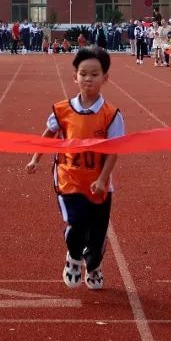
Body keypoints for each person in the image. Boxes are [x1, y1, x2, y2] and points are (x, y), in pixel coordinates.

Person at [25, 47, 124, 291]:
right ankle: (73, 258)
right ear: (75, 77)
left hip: (98, 183)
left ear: (105, 78)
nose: (88, 79)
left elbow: (114, 151)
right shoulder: (62, 110)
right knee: (76, 224)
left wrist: (102, 180)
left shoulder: (111, 115)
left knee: (97, 234)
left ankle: (94, 266)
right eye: (83, 73)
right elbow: (49, 134)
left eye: (94, 74)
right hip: (68, 178)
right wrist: (36, 158)